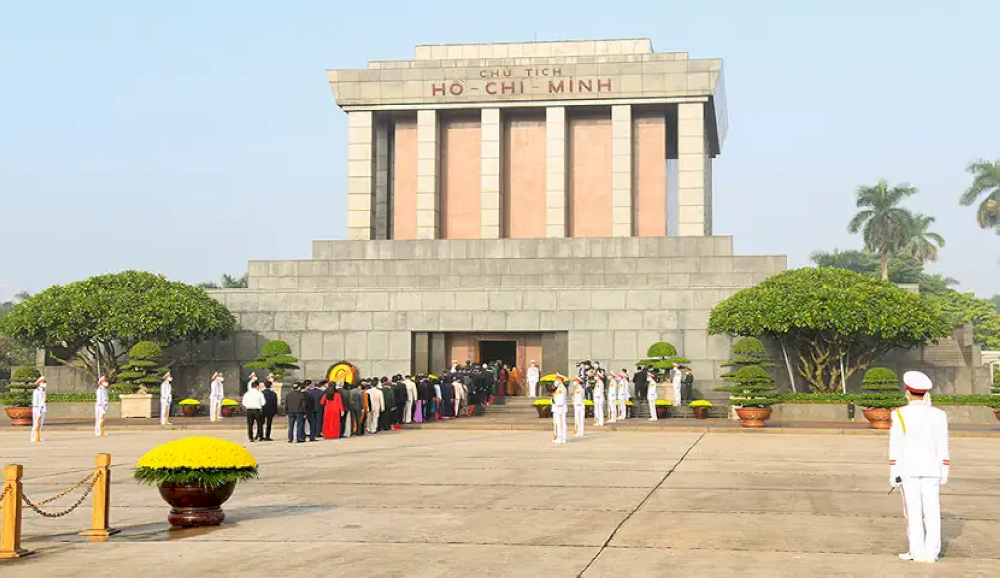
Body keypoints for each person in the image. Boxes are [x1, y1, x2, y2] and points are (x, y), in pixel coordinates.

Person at [890, 371, 950, 564]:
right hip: (933, 469)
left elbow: (896, 445)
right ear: (926, 393)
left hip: (908, 469)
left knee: (913, 512)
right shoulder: (939, 415)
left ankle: (917, 551)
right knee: (932, 511)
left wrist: (894, 471)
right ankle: (932, 553)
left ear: (907, 392)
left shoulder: (899, 414)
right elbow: (943, 445)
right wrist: (945, 470)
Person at [551, 375, 568, 444]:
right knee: (559, 423)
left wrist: (559, 407)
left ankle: (562, 438)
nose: (556, 381)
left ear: (560, 380)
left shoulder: (561, 388)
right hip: (558, 407)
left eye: (557, 379)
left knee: (561, 423)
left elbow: (561, 399)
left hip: (560, 408)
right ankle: (559, 437)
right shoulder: (559, 388)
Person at [30, 376, 46, 443]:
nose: (44, 383)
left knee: (41, 424)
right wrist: (37, 411)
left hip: (43, 409)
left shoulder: (44, 390)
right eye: (43, 382)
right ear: (39, 382)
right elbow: (35, 402)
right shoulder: (36, 391)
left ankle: (38, 437)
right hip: (37, 409)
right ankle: (33, 437)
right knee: (36, 423)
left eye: (45, 382)